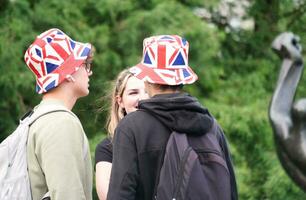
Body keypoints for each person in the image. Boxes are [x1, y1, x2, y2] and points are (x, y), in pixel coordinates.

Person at [107, 35, 237, 200]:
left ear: (147, 79)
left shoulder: (131, 126)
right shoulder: (211, 126)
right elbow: (230, 191)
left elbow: (120, 195)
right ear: (182, 79)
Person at [24, 28, 94, 200]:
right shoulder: (60, 122)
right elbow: (68, 195)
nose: (89, 72)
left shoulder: (37, 118)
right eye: (86, 65)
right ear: (69, 73)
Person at [95, 69, 148, 200]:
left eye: (147, 91)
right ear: (120, 101)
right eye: (133, 92)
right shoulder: (107, 148)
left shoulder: (169, 137)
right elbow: (106, 196)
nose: (142, 98)